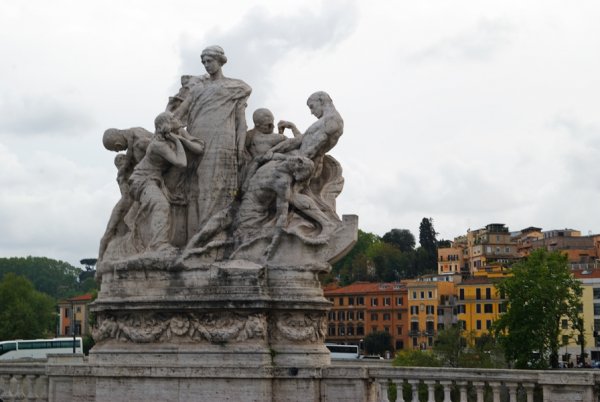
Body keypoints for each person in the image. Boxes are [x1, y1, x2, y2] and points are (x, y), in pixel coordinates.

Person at [170, 46, 252, 242]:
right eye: (204, 62)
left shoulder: (236, 87)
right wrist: (164, 125)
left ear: (220, 61)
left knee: (218, 185)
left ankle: (212, 235)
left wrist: (240, 147)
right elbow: (178, 115)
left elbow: (241, 122)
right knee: (196, 186)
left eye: (210, 61)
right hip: (196, 139)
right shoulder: (197, 89)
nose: (207, 65)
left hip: (222, 139)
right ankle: (199, 234)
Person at [127, 112, 199, 253]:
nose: (177, 118)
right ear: (165, 125)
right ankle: (159, 245)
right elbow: (181, 163)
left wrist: (180, 138)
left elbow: (199, 148)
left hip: (155, 179)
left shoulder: (178, 132)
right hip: (141, 180)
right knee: (161, 204)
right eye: (172, 119)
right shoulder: (158, 145)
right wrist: (178, 141)